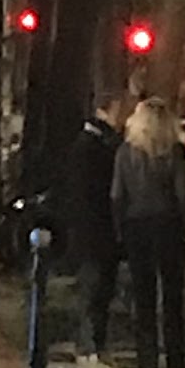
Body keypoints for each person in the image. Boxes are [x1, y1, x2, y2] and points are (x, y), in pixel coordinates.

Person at [111, 92, 185, 368]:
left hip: (137, 227)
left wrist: (121, 230)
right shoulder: (174, 152)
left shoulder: (125, 153)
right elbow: (182, 194)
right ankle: (175, 362)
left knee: (143, 298)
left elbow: (117, 195)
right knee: (172, 296)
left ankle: (148, 364)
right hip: (168, 226)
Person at [71, 88, 129, 351]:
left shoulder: (92, 144)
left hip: (95, 232)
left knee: (98, 289)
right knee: (95, 289)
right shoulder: (93, 147)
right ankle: (90, 345)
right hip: (96, 231)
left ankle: (94, 344)